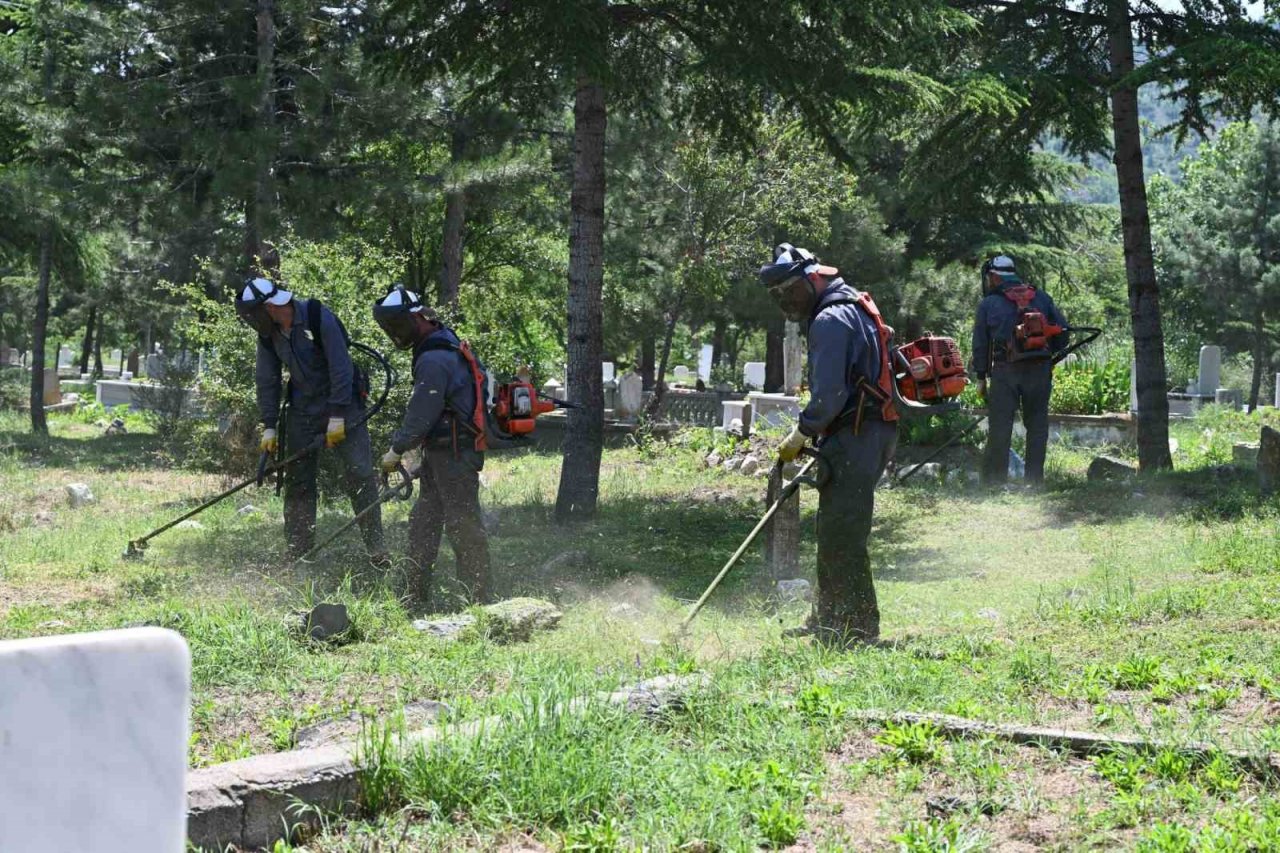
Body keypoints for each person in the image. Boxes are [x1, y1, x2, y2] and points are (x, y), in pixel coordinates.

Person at [759, 243, 899, 647]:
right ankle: (828, 617)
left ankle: (857, 629)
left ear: (813, 278)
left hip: (857, 433)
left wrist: (802, 432)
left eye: (789, 290)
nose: (786, 300)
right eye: (779, 295)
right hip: (866, 431)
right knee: (833, 527)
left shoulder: (831, 319)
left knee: (844, 534)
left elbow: (829, 395)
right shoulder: (849, 306)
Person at [235, 275, 386, 562]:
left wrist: (338, 415)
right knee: (299, 481)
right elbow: (266, 379)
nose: (251, 322)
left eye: (252, 315)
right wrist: (269, 425)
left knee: (359, 474)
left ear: (268, 307)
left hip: (344, 405)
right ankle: (299, 553)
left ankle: (377, 549)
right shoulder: (269, 336)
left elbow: (341, 368)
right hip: (302, 411)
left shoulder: (318, 317)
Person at [372, 284, 491, 611]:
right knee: (423, 524)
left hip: (454, 452)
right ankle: (414, 595)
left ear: (418, 318)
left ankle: (477, 600)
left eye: (398, 324)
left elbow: (423, 411)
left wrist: (397, 449)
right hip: (440, 453)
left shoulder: (435, 357)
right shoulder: (438, 346)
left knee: (463, 526)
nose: (396, 333)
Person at [971, 255, 1069, 485]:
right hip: (1039, 371)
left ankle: (996, 483)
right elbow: (1063, 333)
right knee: (1037, 426)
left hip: (1006, 372)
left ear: (994, 276)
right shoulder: (1041, 297)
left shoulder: (989, 304)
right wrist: (1043, 356)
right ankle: (1034, 482)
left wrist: (981, 376)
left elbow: (981, 344)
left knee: (1001, 427)